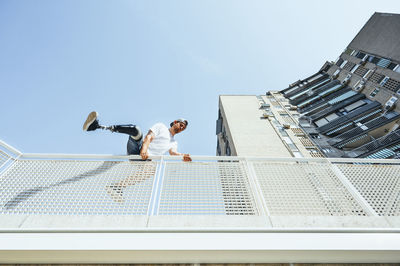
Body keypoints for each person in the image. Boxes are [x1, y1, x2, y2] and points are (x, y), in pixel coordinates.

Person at [82, 111, 192, 202]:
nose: (182, 127)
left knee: (151, 171)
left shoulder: (174, 142)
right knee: (136, 130)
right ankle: (98, 126)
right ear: (174, 122)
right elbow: (149, 137)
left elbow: (173, 153)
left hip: (146, 160)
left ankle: (117, 187)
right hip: (138, 150)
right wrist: (144, 149)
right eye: (181, 124)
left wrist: (183, 156)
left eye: (183, 128)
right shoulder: (161, 126)